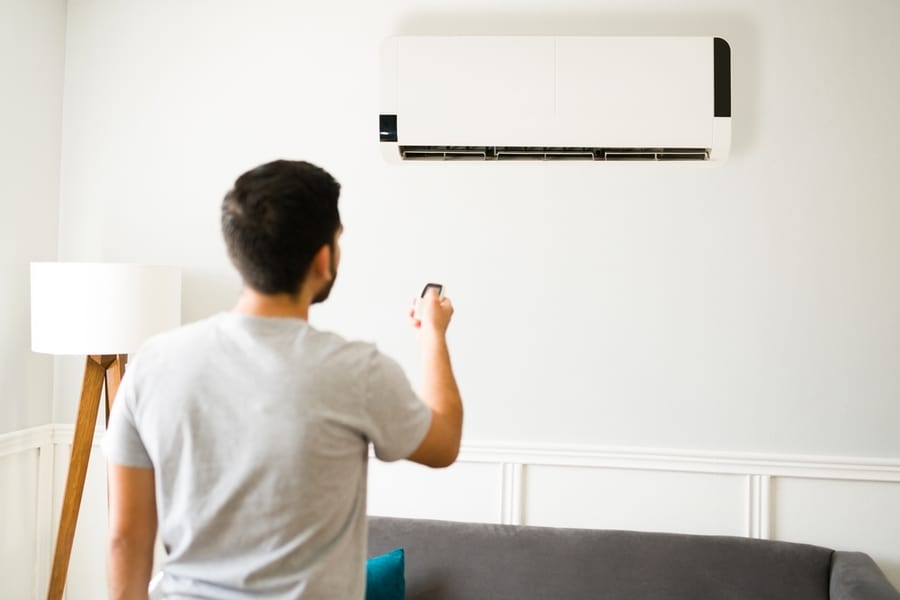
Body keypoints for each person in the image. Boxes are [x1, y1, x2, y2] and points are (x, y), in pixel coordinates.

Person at [103, 159, 463, 599]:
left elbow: (126, 538)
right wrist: (433, 334)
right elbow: (443, 441)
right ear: (324, 258)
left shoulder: (151, 366)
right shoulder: (356, 371)